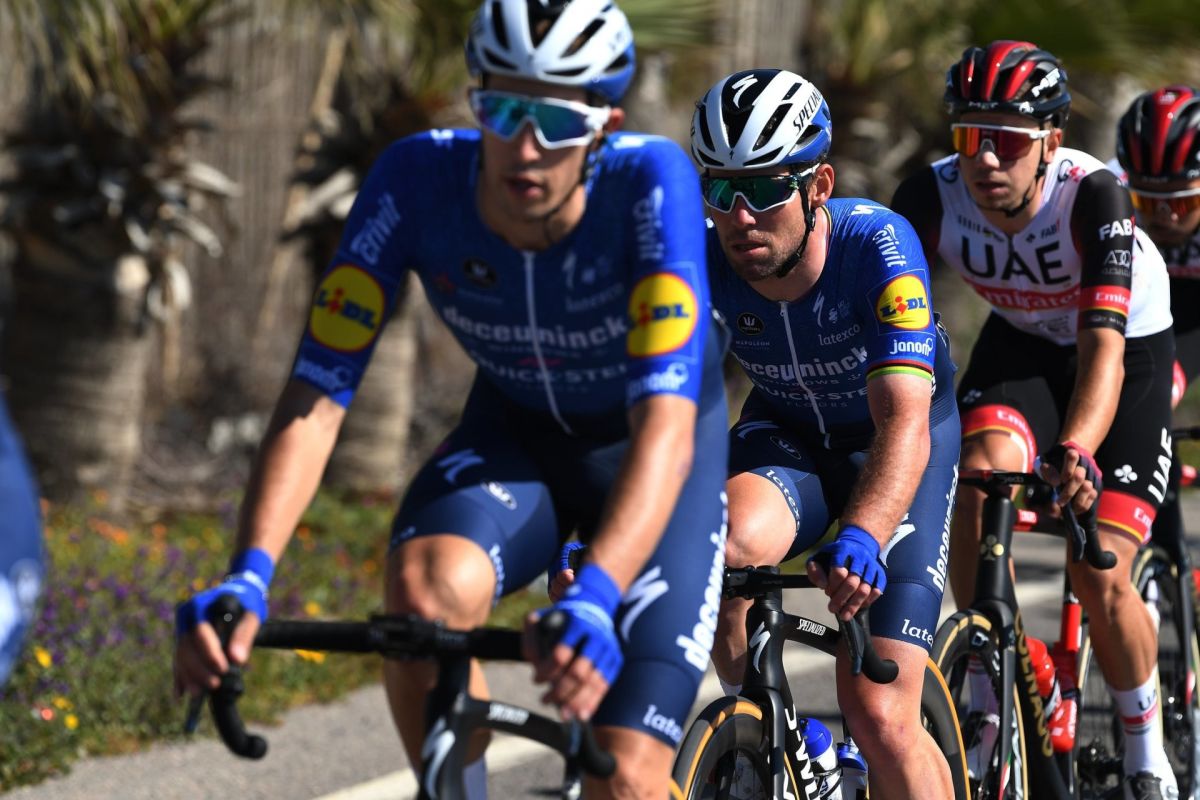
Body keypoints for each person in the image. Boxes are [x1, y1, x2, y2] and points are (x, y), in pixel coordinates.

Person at [173, 0, 730, 797]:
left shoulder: (649, 183)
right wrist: (249, 578)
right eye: (501, 111)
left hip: (651, 453)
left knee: (627, 776)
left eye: (556, 122)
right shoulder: (416, 180)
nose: (525, 147)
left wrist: (598, 592)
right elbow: (319, 395)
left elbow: (665, 434)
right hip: (518, 435)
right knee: (422, 598)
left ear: (605, 126)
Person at [891, 41, 1177, 799]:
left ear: (1051, 141)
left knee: (1098, 566)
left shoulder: (1093, 197)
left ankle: (1146, 751)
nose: (985, 159)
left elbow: (1103, 351)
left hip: (1124, 351)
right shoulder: (929, 195)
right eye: (968, 136)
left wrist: (1077, 448)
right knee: (976, 476)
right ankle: (1000, 679)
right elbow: (884, 325)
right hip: (1021, 340)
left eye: (1009, 141)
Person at [695, 67, 959, 798]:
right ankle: (776, 741)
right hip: (788, 432)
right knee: (722, 547)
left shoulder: (878, 246)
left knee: (879, 712)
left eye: (765, 188)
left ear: (818, 185)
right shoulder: (701, 255)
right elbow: (657, 412)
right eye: (721, 189)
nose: (740, 216)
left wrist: (865, 533)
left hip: (896, 444)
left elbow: (904, 421)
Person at [1112, 86, 1200, 560]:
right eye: (1147, 202)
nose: (1164, 216)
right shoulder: (1106, 186)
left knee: (1163, 385)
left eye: (1181, 203)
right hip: (1149, 300)